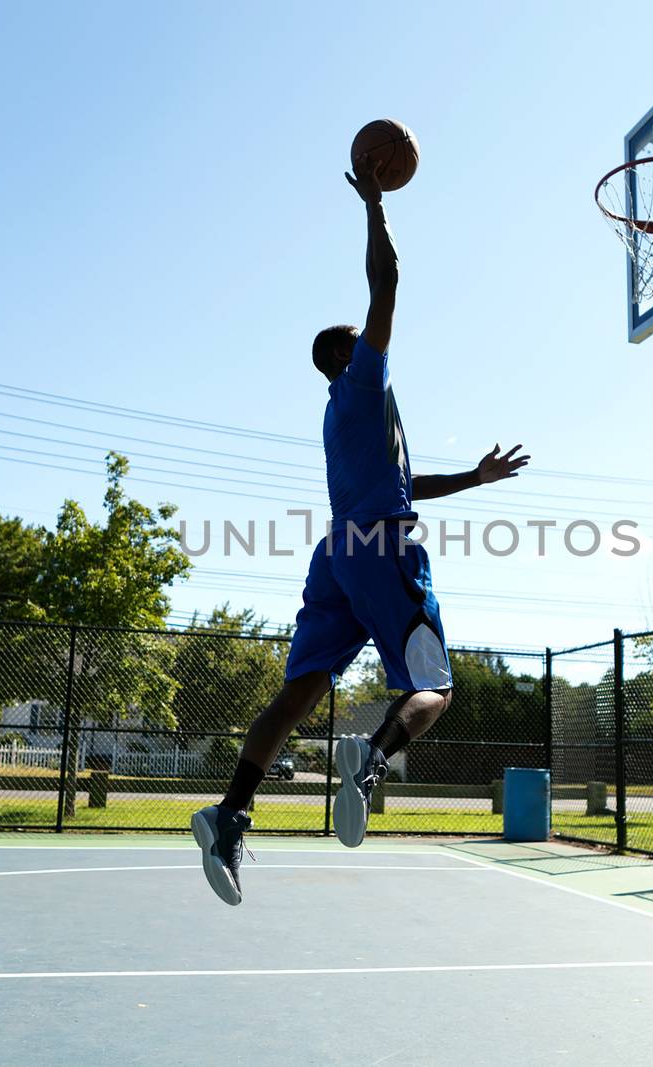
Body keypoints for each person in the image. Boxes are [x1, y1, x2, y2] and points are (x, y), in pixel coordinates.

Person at [190, 156, 528, 906]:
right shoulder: (362, 377)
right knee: (433, 686)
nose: (375, 336)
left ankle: (230, 813)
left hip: (338, 552)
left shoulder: (342, 419)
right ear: (345, 354)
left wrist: (471, 478)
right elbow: (389, 282)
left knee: (298, 694)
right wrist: (375, 206)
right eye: (362, 335)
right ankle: (372, 760)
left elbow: (402, 486)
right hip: (382, 549)